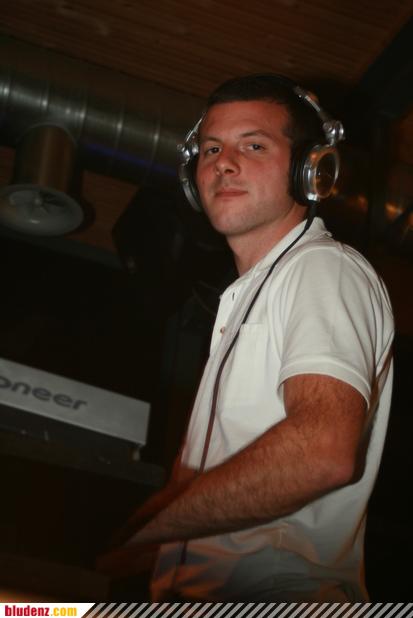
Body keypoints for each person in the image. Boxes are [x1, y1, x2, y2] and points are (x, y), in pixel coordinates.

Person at [98, 74, 394, 602]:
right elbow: (197, 486)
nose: (223, 164)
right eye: (212, 149)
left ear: (311, 170)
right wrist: (132, 542)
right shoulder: (249, 295)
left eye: (253, 146)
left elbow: (321, 451)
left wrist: (155, 532)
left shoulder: (321, 268)